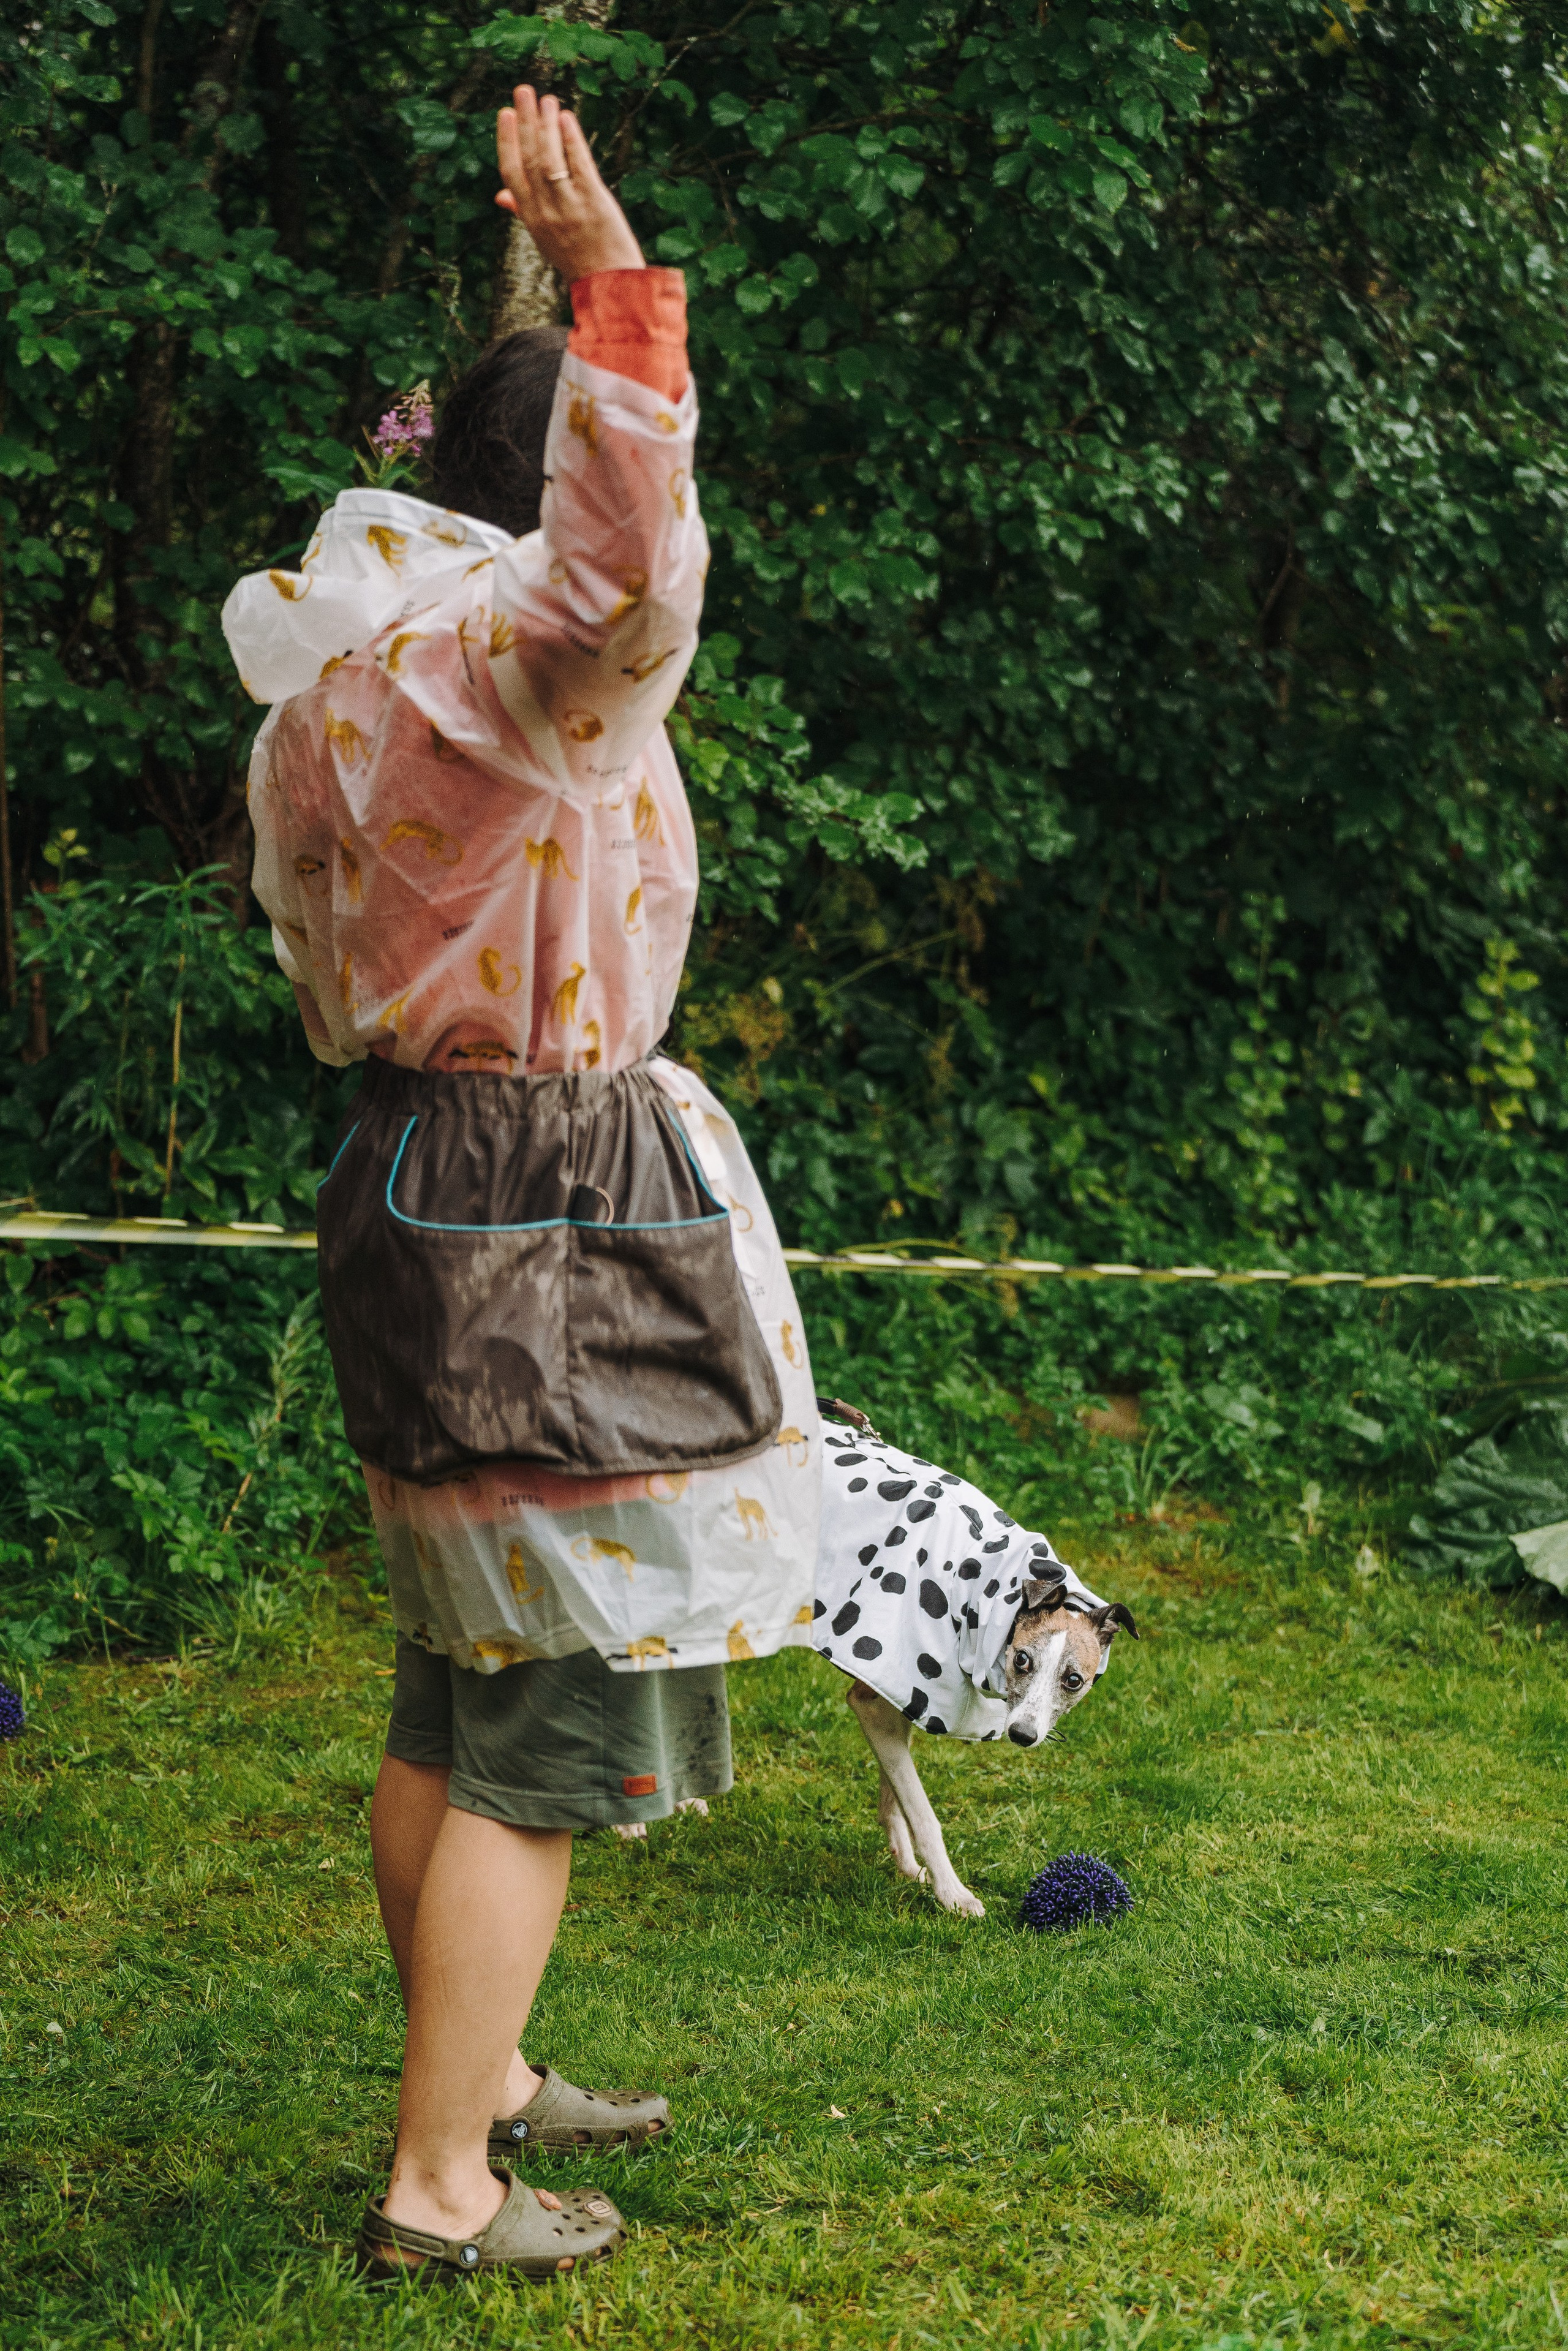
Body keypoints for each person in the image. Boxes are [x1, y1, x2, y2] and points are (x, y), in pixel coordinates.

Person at [222, 86, 822, 2284]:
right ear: (557, 472)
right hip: (540, 1202)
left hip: (405, 1174)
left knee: (449, 1672)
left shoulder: (336, 675)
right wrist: (609, 284)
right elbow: (635, 574)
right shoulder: (511, 664)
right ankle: (443, 2186)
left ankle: (466, 2085)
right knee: (545, 1729)